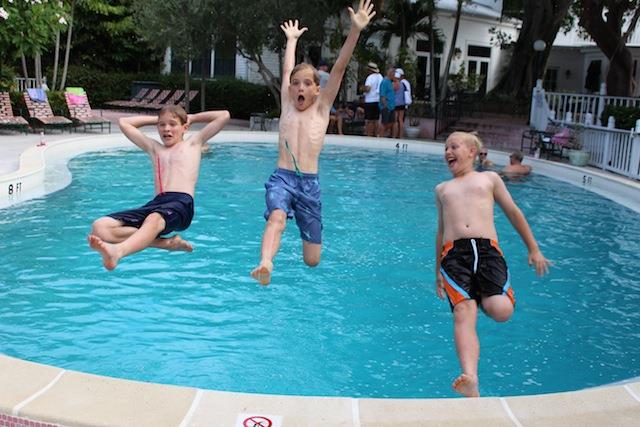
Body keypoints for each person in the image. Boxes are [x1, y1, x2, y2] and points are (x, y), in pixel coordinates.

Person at [250, 0, 376, 285]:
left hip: (309, 184)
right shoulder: (287, 104)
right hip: (282, 178)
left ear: (318, 90)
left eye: (307, 83)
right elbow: (287, 70)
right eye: (296, 83)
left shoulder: (321, 108)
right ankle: (266, 262)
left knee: (312, 260)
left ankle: (291, 246)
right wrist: (291, 41)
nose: (300, 87)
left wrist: (355, 31)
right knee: (276, 218)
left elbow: (340, 68)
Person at [435, 131, 551, 397]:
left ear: (472, 152)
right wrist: (437, 271)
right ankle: (471, 378)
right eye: (445, 148)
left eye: (454, 147)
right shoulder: (442, 189)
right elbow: (440, 232)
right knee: (463, 312)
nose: (448, 152)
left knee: (501, 311)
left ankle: (480, 298)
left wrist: (533, 248)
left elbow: (513, 212)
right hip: (454, 256)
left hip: (488, 253)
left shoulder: (489, 178)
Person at [88, 105, 230, 270]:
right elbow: (124, 122)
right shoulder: (155, 148)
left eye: (172, 124)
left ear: (185, 127)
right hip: (157, 203)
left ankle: (118, 252)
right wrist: (159, 118)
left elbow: (224, 115)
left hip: (181, 203)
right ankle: (165, 244)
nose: (166, 129)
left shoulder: (193, 144)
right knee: (100, 227)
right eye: (162, 125)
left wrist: (191, 117)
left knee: (154, 218)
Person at [360, 61, 383, 137]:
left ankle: (369, 134)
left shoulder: (370, 77)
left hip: (370, 100)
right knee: (376, 119)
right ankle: (376, 134)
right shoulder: (380, 77)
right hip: (377, 100)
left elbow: (368, 89)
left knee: (369, 120)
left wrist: (362, 88)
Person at [378, 67, 396, 137]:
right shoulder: (384, 82)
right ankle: (381, 136)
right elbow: (382, 95)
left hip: (391, 106)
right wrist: (385, 106)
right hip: (386, 106)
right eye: (393, 74)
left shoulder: (390, 82)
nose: (394, 76)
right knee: (384, 122)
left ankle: (384, 134)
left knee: (392, 122)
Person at [393, 68, 409, 138]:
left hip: (396, 103)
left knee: (395, 120)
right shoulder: (403, 84)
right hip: (402, 103)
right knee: (401, 120)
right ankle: (401, 135)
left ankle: (395, 135)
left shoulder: (394, 84)